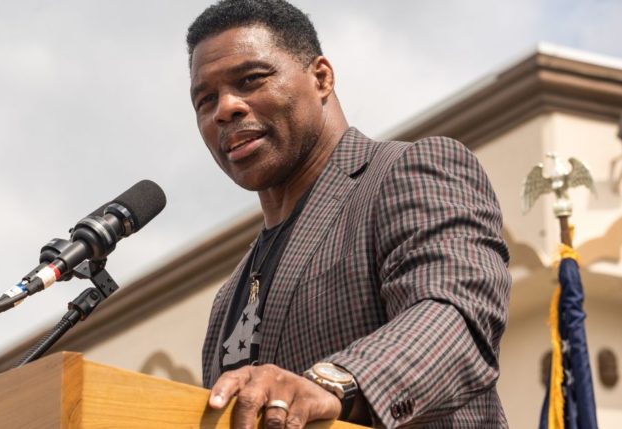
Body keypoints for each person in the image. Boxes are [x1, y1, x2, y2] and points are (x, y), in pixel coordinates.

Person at [186, 0, 511, 428]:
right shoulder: (229, 297)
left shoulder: (409, 170)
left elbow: (455, 315)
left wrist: (335, 382)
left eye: (250, 80)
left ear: (321, 77)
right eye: (205, 101)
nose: (226, 108)